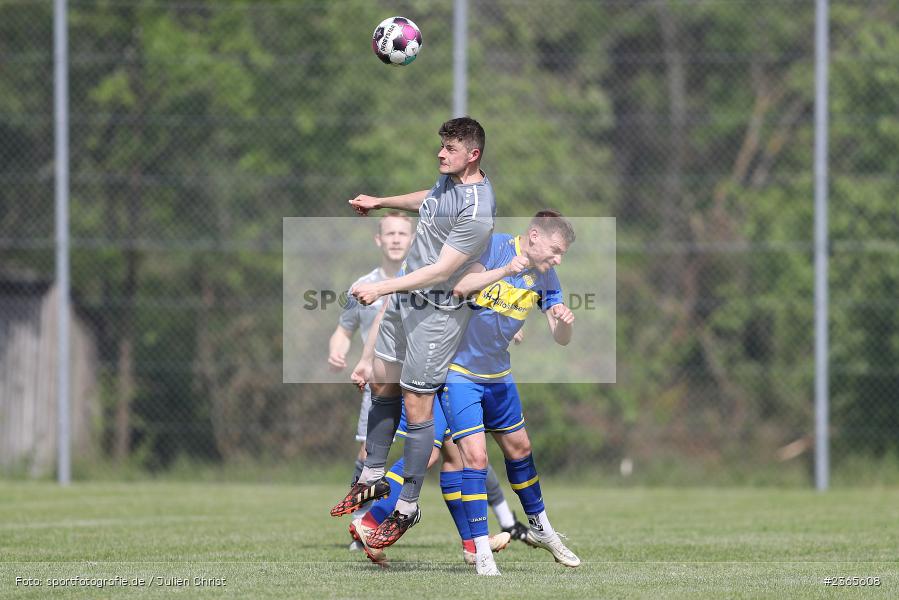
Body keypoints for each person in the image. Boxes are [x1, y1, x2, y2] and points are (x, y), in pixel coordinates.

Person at [330, 117, 496, 551]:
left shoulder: (478, 209)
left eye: (450, 149)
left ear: (473, 154)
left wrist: (380, 288)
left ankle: (407, 505)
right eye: (441, 146)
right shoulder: (449, 184)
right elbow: (428, 200)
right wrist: (382, 201)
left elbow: (441, 271)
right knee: (383, 380)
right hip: (407, 301)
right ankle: (371, 477)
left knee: (417, 403)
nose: (441, 154)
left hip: (437, 313)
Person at [438, 210, 582, 574]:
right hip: (460, 373)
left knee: (521, 449)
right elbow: (461, 288)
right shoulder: (494, 247)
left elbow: (559, 338)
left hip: (499, 375)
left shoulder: (547, 275)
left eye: (562, 253)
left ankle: (541, 528)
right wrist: (506, 271)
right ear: (533, 236)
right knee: (475, 458)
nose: (557, 258)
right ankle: (482, 552)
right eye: (555, 250)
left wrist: (564, 321)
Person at [326, 211, 413, 550]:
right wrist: (338, 351)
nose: (395, 239)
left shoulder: (423, 279)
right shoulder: (362, 286)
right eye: (388, 233)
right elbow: (343, 330)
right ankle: (359, 523)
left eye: (401, 234)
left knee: (449, 449)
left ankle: (489, 526)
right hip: (379, 381)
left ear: (411, 240)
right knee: (368, 452)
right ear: (378, 239)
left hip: (419, 378)